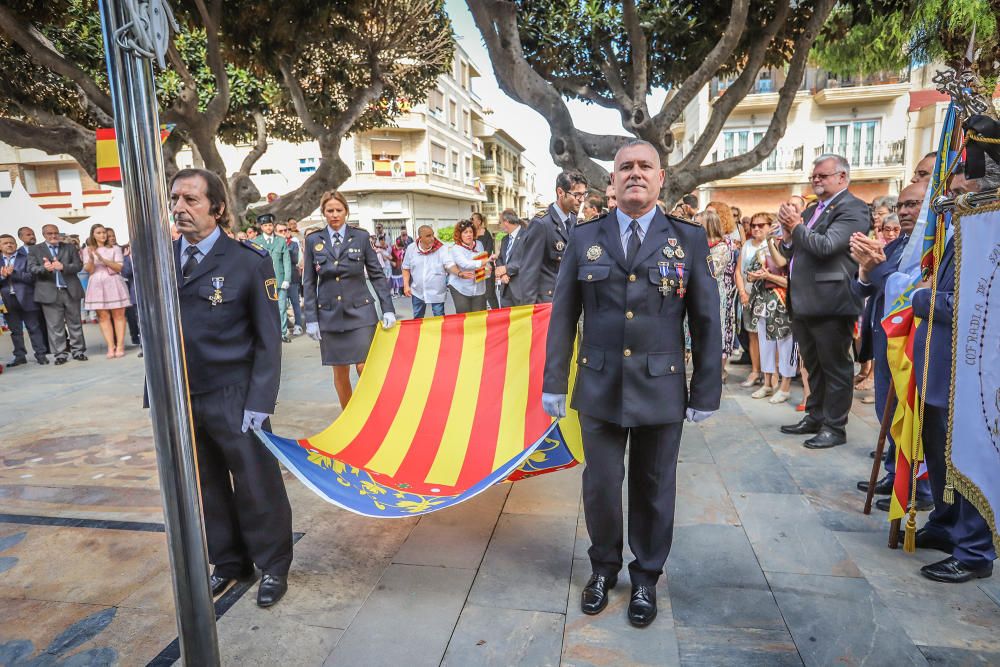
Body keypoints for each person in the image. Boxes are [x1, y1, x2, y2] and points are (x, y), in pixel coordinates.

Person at [542, 139, 721, 628]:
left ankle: (646, 578)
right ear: (612, 181)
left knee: (654, 485)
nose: (635, 173)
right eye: (626, 167)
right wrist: (554, 381)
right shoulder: (585, 238)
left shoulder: (687, 238)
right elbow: (563, 316)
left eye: (645, 166)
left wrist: (706, 388)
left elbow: (706, 318)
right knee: (600, 485)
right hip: (598, 385)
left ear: (661, 178)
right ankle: (603, 569)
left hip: (660, 387)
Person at [168, 168, 293, 607]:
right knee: (207, 485)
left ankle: (273, 565)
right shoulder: (161, 259)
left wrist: (260, 399)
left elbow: (267, 339)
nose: (180, 208)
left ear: (218, 208)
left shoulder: (248, 261)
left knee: (257, 483)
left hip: (235, 392)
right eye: (176, 199)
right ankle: (229, 562)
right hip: (183, 393)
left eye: (192, 200)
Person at [777, 154, 870, 449]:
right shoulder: (811, 210)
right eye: (813, 176)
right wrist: (788, 236)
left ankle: (834, 426)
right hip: (803, 300)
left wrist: (797, 228)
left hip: (831, 301)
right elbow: (795, 251)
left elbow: (827, 246)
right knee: (813, 365)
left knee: (836, 368)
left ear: (842, 177)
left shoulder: (853, 208)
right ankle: (815, 416)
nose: (816, 180)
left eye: (822, 175)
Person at [850, 182, 933, 510]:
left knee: (911, 415)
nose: (904, 211)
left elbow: (911, 292)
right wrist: (866, 269)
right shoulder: (900, 243)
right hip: (887, 339)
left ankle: (918, 488)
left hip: (912, 345)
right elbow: (870, 287)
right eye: (902, 205)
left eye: (913, 204)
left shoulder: (931, 246)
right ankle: (893, 472)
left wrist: (878, 268)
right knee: (888, 410)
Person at [303, 190, 396, 410]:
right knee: (340, 370)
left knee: (365, 366)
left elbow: (376, 274)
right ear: (323, 213)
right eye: (330, 210)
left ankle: (370, 411)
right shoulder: (313, 240)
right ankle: (350, 417)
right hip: (329, 314)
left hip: (360, 313)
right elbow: (309, 281)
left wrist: (388, 308)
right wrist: (311, 318)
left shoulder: (361, 237)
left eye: (339, 210)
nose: (334, 214)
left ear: (346, 211)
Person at [744, 214, 795, 403]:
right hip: (763, 303)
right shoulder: (761, 249)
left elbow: (792, 282)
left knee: (786, 346)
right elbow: (748, 275)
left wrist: (768, 277)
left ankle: (785, 386)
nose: (758, 229)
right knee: (766, 346)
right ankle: (767, 384)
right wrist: (755, 276)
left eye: (763, 225)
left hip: (784, 304)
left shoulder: (790, 250)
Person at [522, 170, 588, 303]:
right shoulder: (541, 224)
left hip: (571, 301)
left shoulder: (575, 221)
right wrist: (531, 313)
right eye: (577, 195)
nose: (582, 200)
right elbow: (529, 273)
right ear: (560, 192)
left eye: (584, 194)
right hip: (548, 303)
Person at [27, 224, 87, 364]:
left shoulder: (69, 247)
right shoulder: (35, 249)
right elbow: (31, 268)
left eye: (55, 233)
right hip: (49, 293)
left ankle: (78, 351)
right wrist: (45, 268)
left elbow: (78, 265)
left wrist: (64, 267)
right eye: (49, 233)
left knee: (75, 323)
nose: (53, 236)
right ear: (44, 235)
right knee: (55, 326)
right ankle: (60, 354)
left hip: (70, 290)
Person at [698, 210, 737, 380]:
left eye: (698, 222)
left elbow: (711, 271)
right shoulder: (696, 244)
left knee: (713, 332)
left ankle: (715, 373)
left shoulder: (722, 247)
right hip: (697, 292)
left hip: (714, 294)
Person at [82, 224, 131, 358]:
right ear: (93, 235)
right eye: (98, 233)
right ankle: (110, 346)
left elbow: (118, 267)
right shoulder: (88, 250)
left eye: (104, 232)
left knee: (118, 315)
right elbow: (89, 270)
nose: (102, 235)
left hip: (113, 282)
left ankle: (120, 345)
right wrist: (92, 258)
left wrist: (102, 259)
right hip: (96, 284)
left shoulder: (115, 248)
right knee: (103, 316)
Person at [0, 234, 47, 365]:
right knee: (15, 331)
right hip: (7, 301)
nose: (9, 245)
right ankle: (20, 356)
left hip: (27, 298)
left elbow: (32, 278)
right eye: (5, 243)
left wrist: (15, 273)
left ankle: (41, 355)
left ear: (16, 245)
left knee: (34, 328)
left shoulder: (26, 258)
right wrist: (3, 277)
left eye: (11, 243)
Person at [734, 213, 769, 386]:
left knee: (768, 336)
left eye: (761, 225)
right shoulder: (747, 245)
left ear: (769, 226)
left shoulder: (772, 245)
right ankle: (755, 371)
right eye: (754, 225)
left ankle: (770, 374)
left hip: (767, 296)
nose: (756, 228)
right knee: (752, 335)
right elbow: (738, 271)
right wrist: (742, 292)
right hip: (748, 296)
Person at [255, 214, 293, 343]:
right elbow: (253, 263)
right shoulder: (256, 242)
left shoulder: (281, 241)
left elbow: (286, 261)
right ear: (261, 227)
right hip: (263, 281)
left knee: (281, 308)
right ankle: (267, 334)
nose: (268, 227)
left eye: (270, 225)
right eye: (265, 225)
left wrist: (287, 279)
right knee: (264, 309)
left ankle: (282, 333)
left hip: (280, 279)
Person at [402, 225, 449, 318]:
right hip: (417, 292)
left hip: (437, 292)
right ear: (420, 238)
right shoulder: (411, 248)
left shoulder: (441, 248)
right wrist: (406, 286)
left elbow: (449, 266)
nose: (432, 238)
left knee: (439, 318)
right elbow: (406, 268)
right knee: (417, 319)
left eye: (432, 235)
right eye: (428, 236)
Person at [445, 219, 490, 313]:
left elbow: (485, 263)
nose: (469, 234)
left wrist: (487, 270)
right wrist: (485, 261)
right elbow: (465, 264)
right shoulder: (456, 248)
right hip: (460, 287)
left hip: (479, 287)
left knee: (478, 317)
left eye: (470, 232)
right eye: (465, 232)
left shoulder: (479, 245)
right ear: (460, 234)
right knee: (464, 315)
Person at [494, 209, 531, 307]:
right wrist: (502, 275)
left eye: (500, 222)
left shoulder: (527, 236)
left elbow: (528, 260)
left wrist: (506, 269)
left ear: (506, 222)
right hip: (505, 290)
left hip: (521, 291)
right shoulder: (505, 239)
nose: (499, 225)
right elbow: (500, 259)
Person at [278, 221, 304, 336]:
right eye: (281, 231)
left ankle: (298, 325)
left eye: (286, 230)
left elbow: (294, 259)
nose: (284, 232)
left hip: (292, 278)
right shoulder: (275, 243)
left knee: (295, 303)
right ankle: (284, 326)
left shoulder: (293, 243)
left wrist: (282, 248)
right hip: (279, 278)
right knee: (281, 305)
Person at [472, 211, 499, 310]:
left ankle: (497, 314)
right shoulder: (471, 234)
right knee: (480, 294)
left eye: (472, 219)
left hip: (486, 266)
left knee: (489, 293)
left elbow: (488, 251)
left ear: (479, 221)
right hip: (476, 266)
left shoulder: (486, 233)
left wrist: (477, 260)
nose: (471, 221)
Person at [120, 244, 141, 349]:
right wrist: (126, 257)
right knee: (139, 321)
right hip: (135, 294)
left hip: (150, 294)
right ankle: (143, 346)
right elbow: (125, 273)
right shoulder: (128, 258)